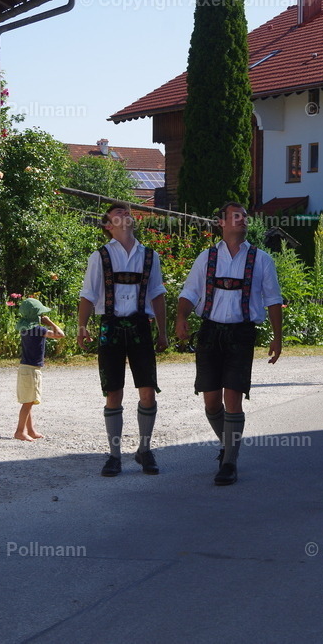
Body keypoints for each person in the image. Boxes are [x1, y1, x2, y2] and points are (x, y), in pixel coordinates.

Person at [176, 202, 283, 486]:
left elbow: (273, 300)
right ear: (221, 222)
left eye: (245, 216)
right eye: (236, 216)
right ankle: (229, 445)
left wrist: (278, 336)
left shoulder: (261, 260)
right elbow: (189, 291)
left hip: (241, 334)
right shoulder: (207, 257)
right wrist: (181, 317)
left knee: (232, 398)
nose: (243, 219)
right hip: (210, 332)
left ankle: (229, 462)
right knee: (211, 402)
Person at [78, 203, 168, 477]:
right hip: (111, 328)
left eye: (128, 211)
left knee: (147, 389)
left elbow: (158, 294)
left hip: (141, 326)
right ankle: (114, 455)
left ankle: (144, 449)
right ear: (108, 225)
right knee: (113, 391)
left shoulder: (149, 256)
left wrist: (162, 331)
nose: (125, 214)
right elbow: (88, 294)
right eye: (118, 213)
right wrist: (82, 325)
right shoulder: (100, 256)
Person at [15, 298, 64, 441]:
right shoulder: (39, 329)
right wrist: (49, 322)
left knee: (27, 400)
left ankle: (30, 430)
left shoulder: (23, 328)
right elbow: (60, 334)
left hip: (24, 368)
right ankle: (19, 431)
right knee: (28, 402)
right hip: (32, 370)